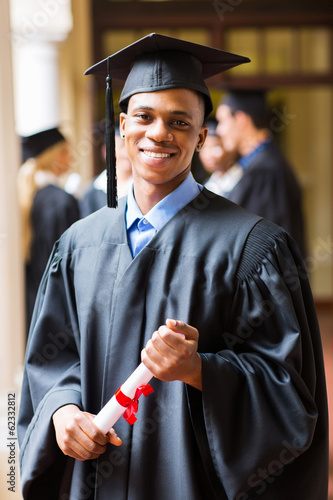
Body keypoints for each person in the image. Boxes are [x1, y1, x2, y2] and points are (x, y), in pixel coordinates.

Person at [18, 33, 328, 500]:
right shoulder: (79, 244)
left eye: (179, 122)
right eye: (143, 117)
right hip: (94, 482)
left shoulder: (252, 248)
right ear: (122, 127)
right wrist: (62, 413)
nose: (159, 133)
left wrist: (200, 370)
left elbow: (289, 397)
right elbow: (50, 360)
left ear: (201, 137)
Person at [216, 89, 307, 257]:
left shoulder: (266, 171)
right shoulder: (256, 163)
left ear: (241, 120)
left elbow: (261, 243)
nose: (219, 130)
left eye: (222, 121)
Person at [17, 127, 80, 335]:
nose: (71, 157)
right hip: (56, 305)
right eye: (66, 151)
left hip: (30, 300)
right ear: (55, 156)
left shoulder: (28, 195)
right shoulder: (62, 202)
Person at [80, 125, 132, 217]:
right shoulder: (93, 192)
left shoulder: (148, 188)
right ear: (107, 152)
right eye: (121, 146)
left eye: (130, 146)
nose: (126, 153)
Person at [200, 118, 243, 197]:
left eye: (216, 147)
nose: (208, 154)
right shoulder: (208, 186)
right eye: (204, 147)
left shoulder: (244, 180)